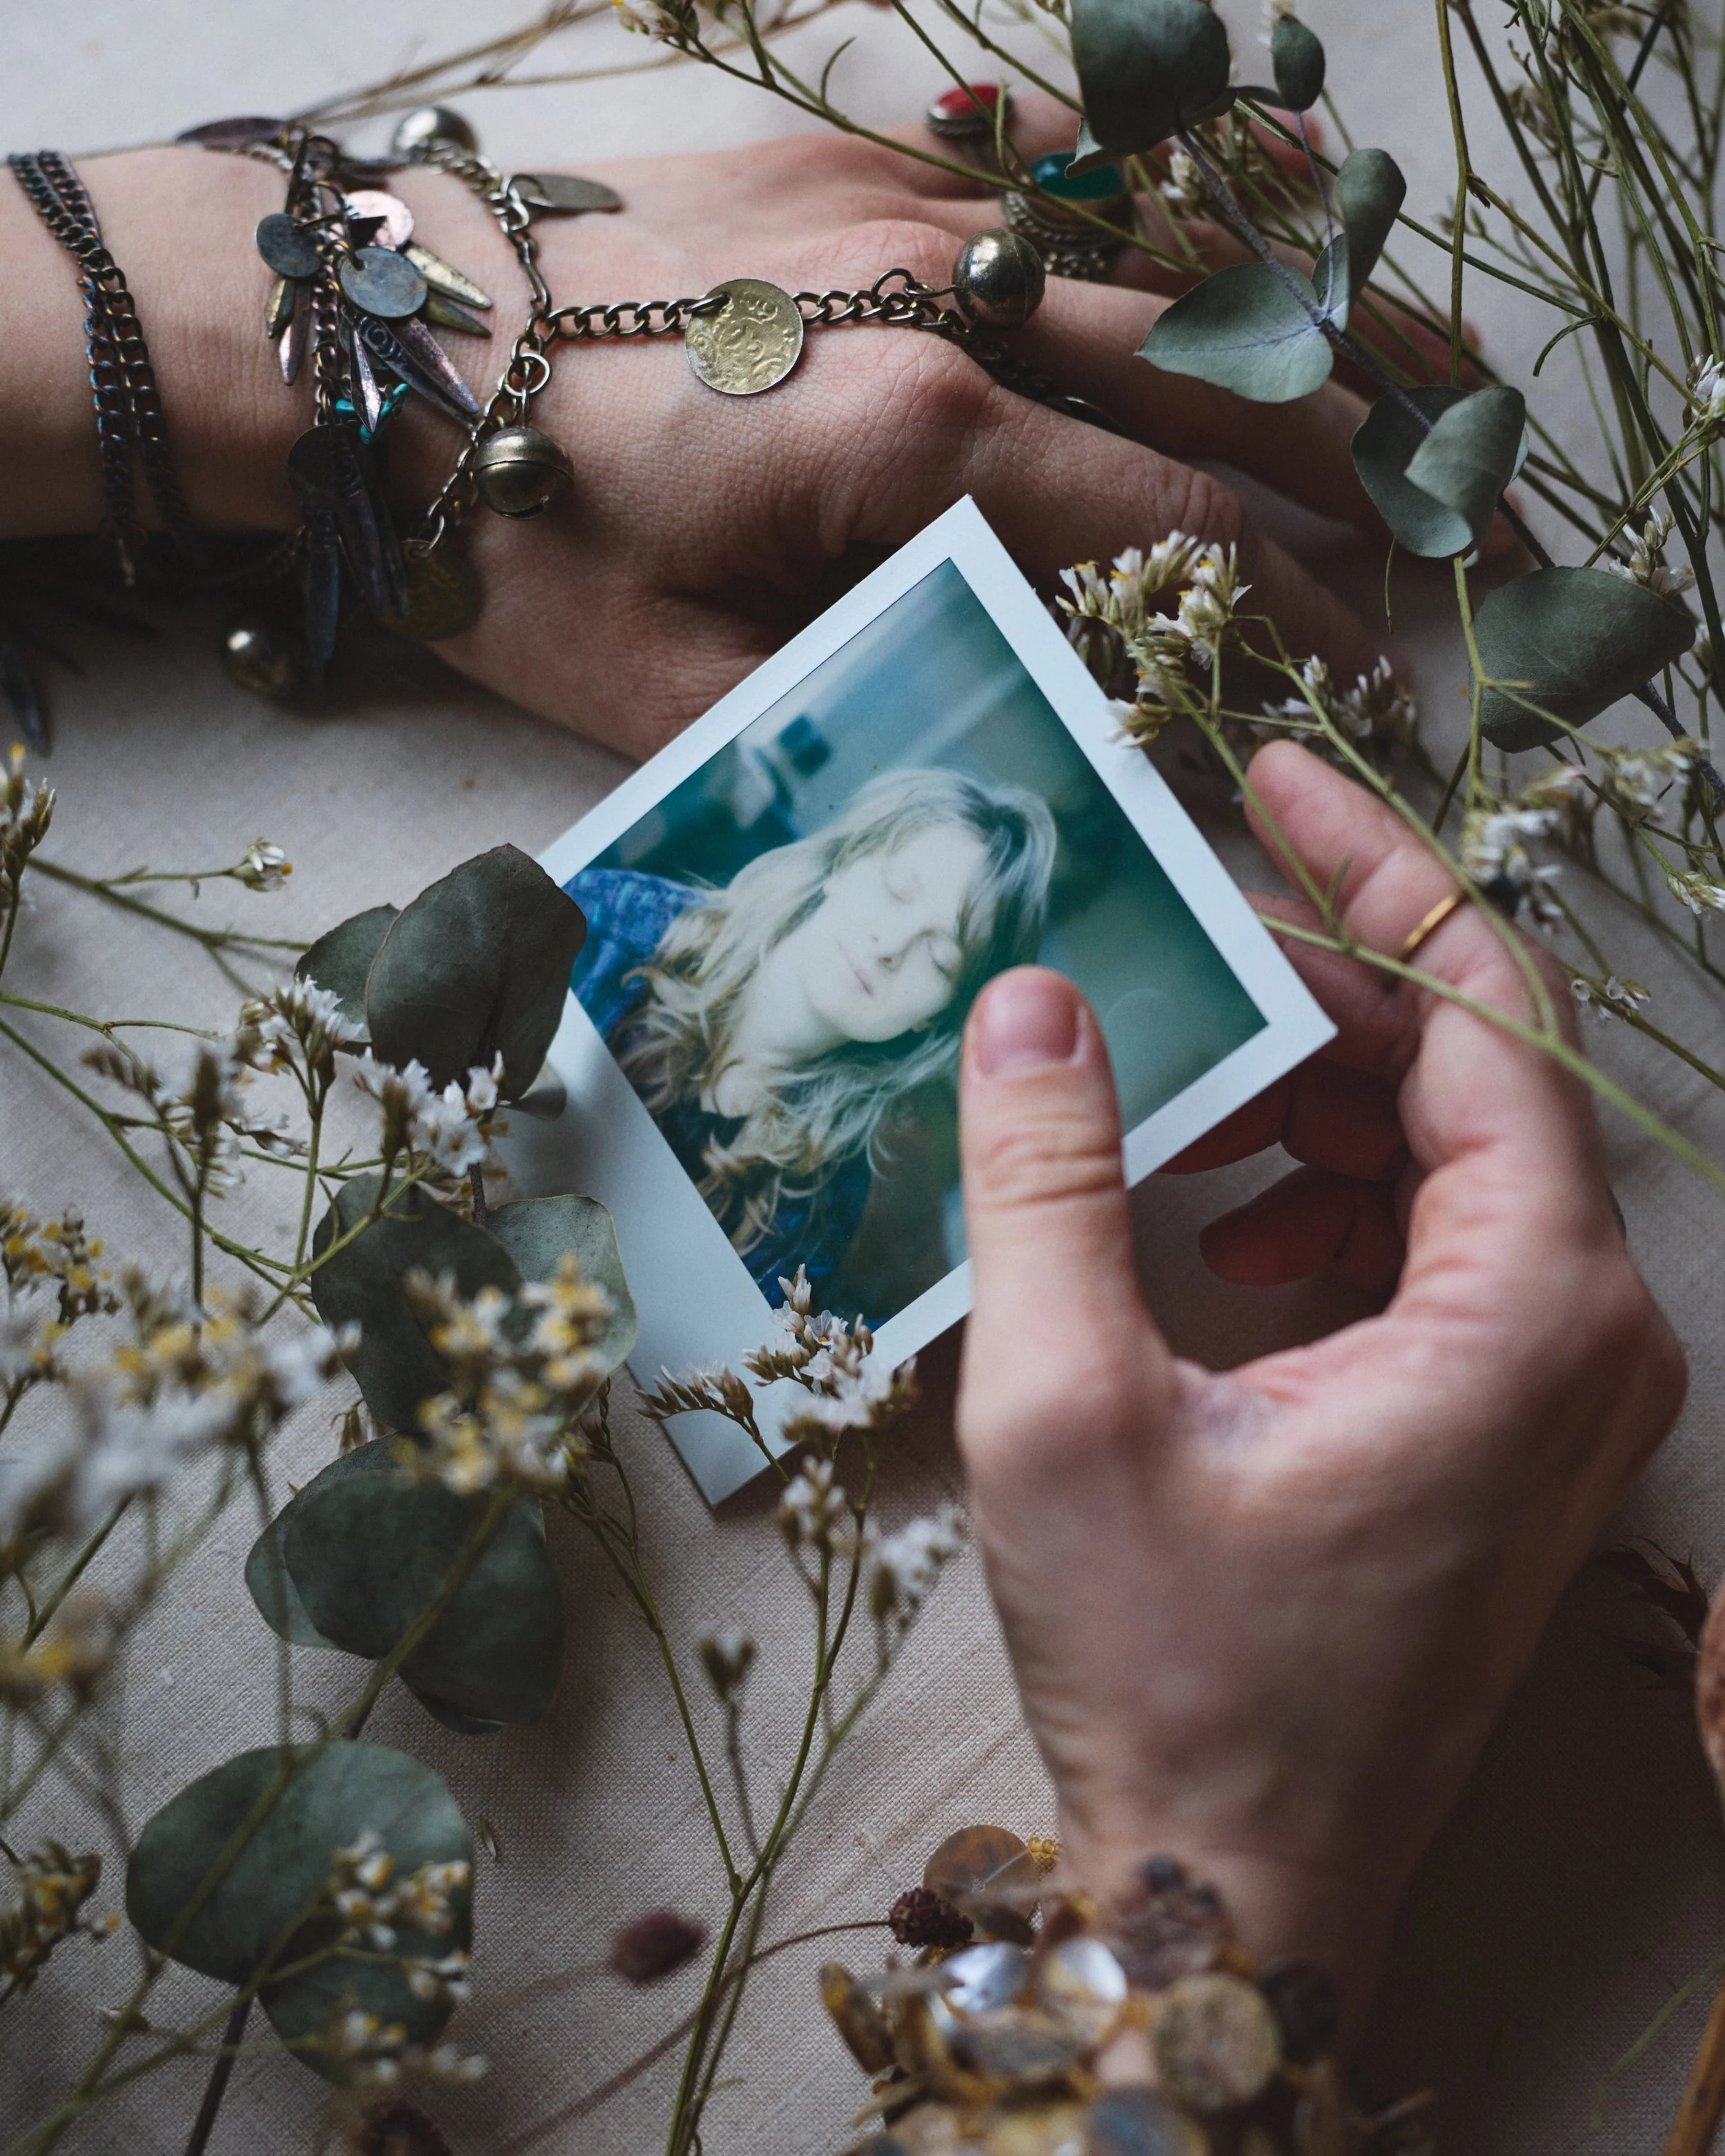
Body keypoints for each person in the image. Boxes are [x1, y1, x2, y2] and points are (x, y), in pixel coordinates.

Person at [0, 90, 1687, 2037]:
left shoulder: (840, 1213)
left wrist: (278, 303)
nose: (917, 940)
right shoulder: (581, 950)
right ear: (826, 861)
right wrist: (280, 310)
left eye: (961, 939)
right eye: (907, 879)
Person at [567, 767, 1055, 1308]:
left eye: (939, 959)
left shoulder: (825, 1205)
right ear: (843, 864)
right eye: (897, 890)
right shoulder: (610, 923)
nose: (890, 944)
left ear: (935, 1019)